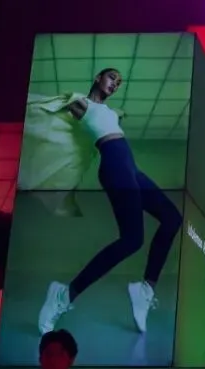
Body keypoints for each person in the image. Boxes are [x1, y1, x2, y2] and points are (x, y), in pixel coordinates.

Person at [36, 68, 183, 336]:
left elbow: (108, 120)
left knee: (173, 219)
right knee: (132, 240)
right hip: (114, 166)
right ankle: (65, 294)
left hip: (131, 169)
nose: (115, 84)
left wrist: (117, 114)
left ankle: (146, 289)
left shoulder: (110, 112)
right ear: (97, 78)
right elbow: (57, 115)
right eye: (111, 78)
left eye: (119, 82)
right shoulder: (82, 102)